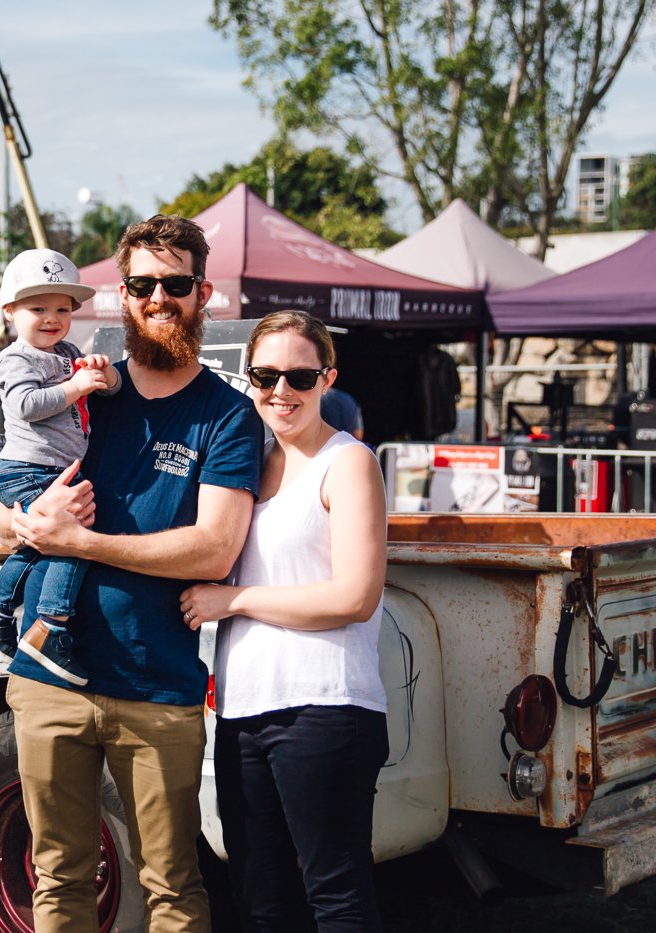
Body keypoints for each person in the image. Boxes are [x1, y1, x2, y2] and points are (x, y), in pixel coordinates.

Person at [0, 215, 263, 930]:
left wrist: (77, 542)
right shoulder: (87, 390)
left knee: (171, 888)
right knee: (60, 880)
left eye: (176, 284)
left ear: (204, 293)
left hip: (157, 689)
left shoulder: (227, 415)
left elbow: (213, 550)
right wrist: (29, 523)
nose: (159, 298)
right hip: (49, 680)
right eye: (143, 283)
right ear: (122, 295)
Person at [180, 310, 389, 932]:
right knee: (260, 895)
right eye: (265, 374)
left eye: (299, 376)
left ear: (328, 378)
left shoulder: (347, 463)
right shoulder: (249, 464)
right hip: (244, 711)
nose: (280, 391)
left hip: (325, 707)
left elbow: (355, 596)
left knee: (336, 894)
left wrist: (235, 601)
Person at [0, 247, 119, 685]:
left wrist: (103, 375)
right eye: (38, 308)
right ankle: (50, 627)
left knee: (34, 545)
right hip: (27, 468)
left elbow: (109, 389)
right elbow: (26, 404)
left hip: (51, 470)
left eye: (61, 309)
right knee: (73, 538)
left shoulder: (69, 350)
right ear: (10, 311)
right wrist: (74, 385)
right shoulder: (14, 358)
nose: (51, 318)